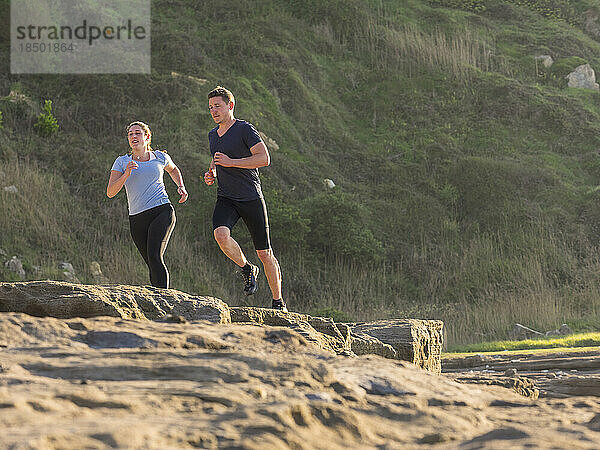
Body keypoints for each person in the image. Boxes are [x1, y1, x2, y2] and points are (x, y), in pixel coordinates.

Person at [204, 86, 287, 312]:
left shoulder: (244, 129)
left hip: (250, 196)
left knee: (264, 252)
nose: (214, 111)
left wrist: (232, 162)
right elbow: (216, 160)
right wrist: (211, 173)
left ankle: (278, 301)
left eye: (218, 106)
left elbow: (264, 158)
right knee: (221, 235)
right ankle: (246, 268)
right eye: (211, 107)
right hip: (226, 197)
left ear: (230, 106)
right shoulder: (213, 134)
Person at [107, 121, 188, 288]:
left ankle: (164, 299)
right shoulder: (122, 162)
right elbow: (110, 192)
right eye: (130, 134)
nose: (133, 136)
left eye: (137, 133)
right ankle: (159, 304)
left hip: (161, 211)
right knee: (151, 263)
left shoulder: (160, 157)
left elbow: (173, 169)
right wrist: (125, 175)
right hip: (137, 218)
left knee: (155, 255)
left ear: (147, 137)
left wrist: (180, 185)